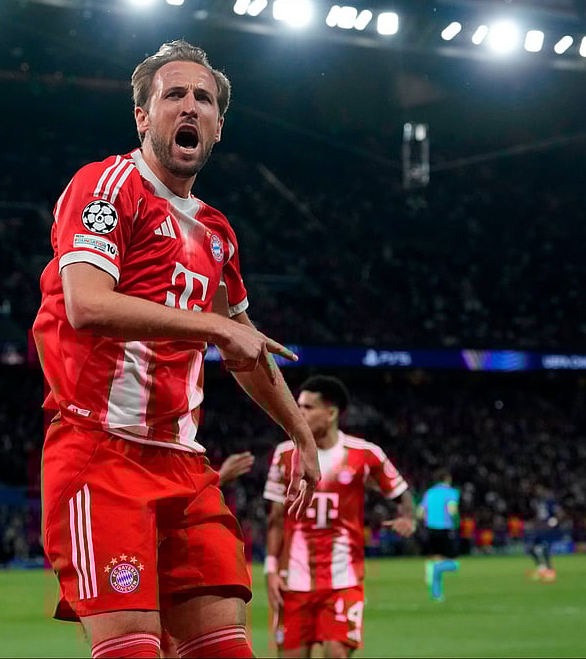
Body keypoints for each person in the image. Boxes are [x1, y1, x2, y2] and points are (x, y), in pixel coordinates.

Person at [32, 39, 321, 659]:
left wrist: (300, 432)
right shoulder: (107, 185)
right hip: (99, 454)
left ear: (218, 126)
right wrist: (217, 328)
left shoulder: (216, 231)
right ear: (144, 116)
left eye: (204, 99)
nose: (190, 107)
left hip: (185, 467)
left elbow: (247, 350)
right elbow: (87, 305)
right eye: (174, 95)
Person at [264, 375, 415, 658]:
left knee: (337, 653)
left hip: (343, 578)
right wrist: (270, 569)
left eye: (308, 407)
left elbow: (402, 493)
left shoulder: (365, 454)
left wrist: (407, 517)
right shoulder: (284, 455)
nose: (299, 413)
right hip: (293, 581)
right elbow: (275, 519)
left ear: (331, 413)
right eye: (298, 406)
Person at [418, 469, 460, 602]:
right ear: (447, 478)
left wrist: (428, 520)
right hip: (444, 529)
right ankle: (433, 567)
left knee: (437, 559)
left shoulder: (429, 492)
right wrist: (456, 522)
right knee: (454, 564)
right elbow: (452, 509)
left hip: (430, 529)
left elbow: (419, 512)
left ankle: (437, 595)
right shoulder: (451, 492)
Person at [527, 484, 560, 582]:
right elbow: (539, 516)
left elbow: (559, 514)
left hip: (547, 529)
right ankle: (542, 569)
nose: (538, 492)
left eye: (539, 490)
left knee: (545, 549)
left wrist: (552, 523)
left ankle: (550, 572)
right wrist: (533, 523)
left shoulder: (550, 501)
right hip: (539, 528)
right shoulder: (537, 502)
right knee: (530, 548)